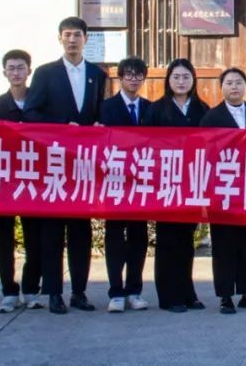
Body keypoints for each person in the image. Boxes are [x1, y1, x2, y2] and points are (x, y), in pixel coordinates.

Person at [24, 16, 108, 314]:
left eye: (77, 35)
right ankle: (54, 293)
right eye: (67, 35)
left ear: (86, 39)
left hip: (83, 166)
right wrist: (61, 126)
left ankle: (79, 292)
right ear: (59, 38)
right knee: (52, 233)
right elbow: (31, 113)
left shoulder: (97, 75)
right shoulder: (46, 73)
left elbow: (99, 112)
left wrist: (99, 125)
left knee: (81, 233)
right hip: (55, 165)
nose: (72, 40)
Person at [200, 67, 246, 315]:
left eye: (239, 82)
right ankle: (225, 295)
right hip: (223, 189)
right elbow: (204, 151)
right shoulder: (211, 117)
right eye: (229, 83)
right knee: (223, 243)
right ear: (222, 87)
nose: (234, 87)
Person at [143, 58, 208, 313]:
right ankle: (169, 296)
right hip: (165, 183)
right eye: (176, 77)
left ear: (193, 80)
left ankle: (187, 291)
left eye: (186, 77)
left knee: (186, 240)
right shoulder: (156, 109)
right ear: (168, 80)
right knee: (167, 239)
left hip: (192, 182)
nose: (181, 82)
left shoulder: (202, 109)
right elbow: (146, 144)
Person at [0, 49, 43, 313]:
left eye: (21, 67)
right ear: (4, 72)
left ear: (29, 71)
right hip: (4, 182)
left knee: (35, 239)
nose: (16, 73)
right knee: (4, 239)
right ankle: (9, 291)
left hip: (34, 180)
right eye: (11, 68)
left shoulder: (40, 104)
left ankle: (31, 289)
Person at [98, 56, 151, 313]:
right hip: (115, 181)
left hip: (140, 183)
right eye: (128, 74)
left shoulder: (150, 108)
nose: (133, 79)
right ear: (120, 77)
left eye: (138, 75)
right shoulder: (106, 107)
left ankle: (134, 290)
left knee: (139, 237)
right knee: (115, 237)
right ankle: (116, 291)